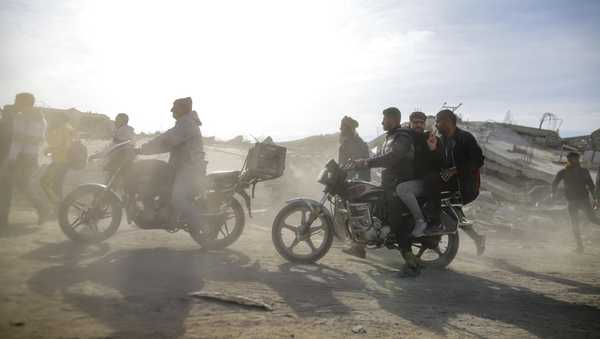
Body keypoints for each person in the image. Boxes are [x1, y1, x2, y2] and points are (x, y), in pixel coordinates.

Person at [350, 107, 422, 276]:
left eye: (385, 119)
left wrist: (366, 163)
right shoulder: (390, 137)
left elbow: (392, 157)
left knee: (396, 220)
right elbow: (382, 158)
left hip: (399, 185)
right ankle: (359, 245)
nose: (382, 122)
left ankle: (411, 263)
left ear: (394, 120)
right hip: (388, 183)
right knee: (373, 208)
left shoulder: (402, 137)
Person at [136, 97, 207, 232]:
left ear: (183, 108)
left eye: (175, 107)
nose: (171, 110)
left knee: (178, 197)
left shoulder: (187, 124)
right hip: (181, 167)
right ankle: (161, 213)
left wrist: (141, 149)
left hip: (190, 168)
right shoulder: (183, 123)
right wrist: (143, 150)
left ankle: (203, 225)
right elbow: (167, 143)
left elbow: (166, 140)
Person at [428, 109, 486, 255]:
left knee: (449, 211)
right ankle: (477, 238)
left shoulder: (465, 138)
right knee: (452, 212)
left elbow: (478, 161)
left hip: (467, 185)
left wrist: (455, 170)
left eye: (438, 121)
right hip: (450, 185)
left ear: (449, 121)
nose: (436, 124)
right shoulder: (442, 139)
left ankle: (437, 241)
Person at [0, 93, 48, 226]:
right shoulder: (40, 118)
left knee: (11, 185)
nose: (15, 104)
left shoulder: (22, 118)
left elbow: (18, 141)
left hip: (21, 157)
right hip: (29, 157)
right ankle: (40, 208)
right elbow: (34, 140)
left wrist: (11, 158)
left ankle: (41, 207)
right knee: (18, 186)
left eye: (17, 101)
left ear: (25, 103)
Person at [395, 111, 443, 237]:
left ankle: (420, 221)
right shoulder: (406, 137)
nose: (418, 125)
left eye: (421, 123)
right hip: (410, 179)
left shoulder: (431, 139)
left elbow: (441, 163)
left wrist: (432, 149)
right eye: (415, 122)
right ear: (410, 123)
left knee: (403, 190)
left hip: (427, 182)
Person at [552, 152, 600, 253]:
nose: (573, 161)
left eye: (574, 159)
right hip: (575, 201)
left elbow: (591, 186)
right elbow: (555, 182)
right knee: (577, 223)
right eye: (572, 159)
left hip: (580, 200)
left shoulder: (577, 172)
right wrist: (553, 192)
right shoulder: (566, 172)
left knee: (588, 220)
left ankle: (580, 247)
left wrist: (595, 199)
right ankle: (580, 247)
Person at [40, 112, 74, 204]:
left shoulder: (65, 128)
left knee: (48, 183)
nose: (54, 120)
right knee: (54, 184)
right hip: (59, 161)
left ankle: (59, 207)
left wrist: (50, 149)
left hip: (62, 161)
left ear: (61, 119)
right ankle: (58, 207)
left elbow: (66, 146)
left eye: (56, 118)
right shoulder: (65, 128)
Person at [338, 116, 371, 181]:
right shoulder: (345, 144)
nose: (341, 130)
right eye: (341, 128)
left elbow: (357, 164)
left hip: (359, 182)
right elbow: (342, 164)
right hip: (351, 179)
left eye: (343, 128)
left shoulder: (356, 143)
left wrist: (345, 177)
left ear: (349, 129)